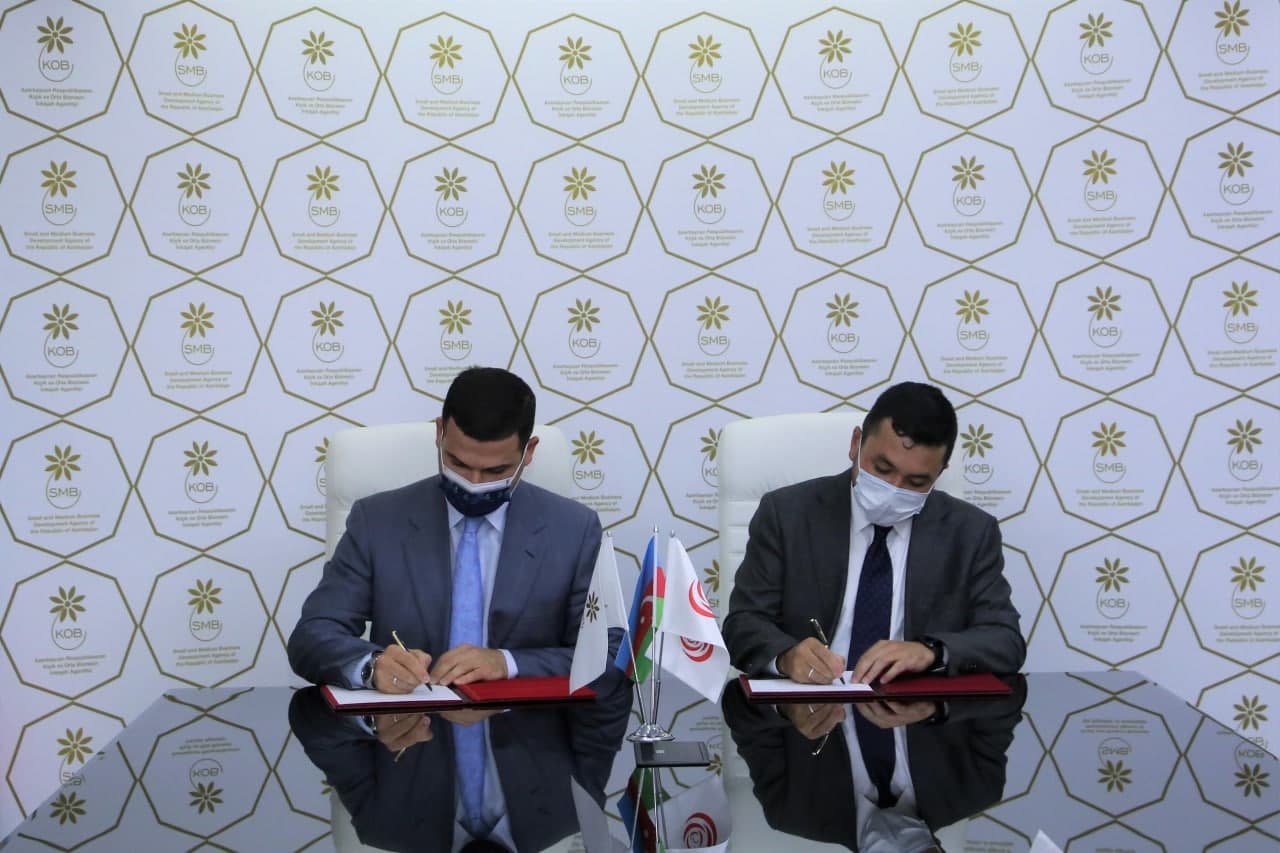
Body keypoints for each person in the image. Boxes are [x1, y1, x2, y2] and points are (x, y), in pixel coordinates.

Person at [287, 366, 606, 693]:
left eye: (495, 471)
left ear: (530, 451)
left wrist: (507, 663)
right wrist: (372, 666)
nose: (473, 484)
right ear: (439, 433)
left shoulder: (575, 530)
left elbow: (607, 651)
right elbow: (312, 635)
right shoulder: (376, 521)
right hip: (410, 719)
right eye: (459, 464)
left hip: (524, 722)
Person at [722, 381, 1025, 686]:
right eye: (882, 468)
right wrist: (787, 657)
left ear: (940, 473)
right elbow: (742, 625)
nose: (894, 489)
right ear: (856, 443)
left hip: (916, 707)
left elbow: (1005, 640)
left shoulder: (970, 532)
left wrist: (932, 652)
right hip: (811, 702)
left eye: (916, 482)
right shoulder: (786, 515)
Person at [722, 675, 1027, 852]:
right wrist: (938, 704)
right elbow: (1012, 688)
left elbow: (736, 701)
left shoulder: (791, 809)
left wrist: (787, 708)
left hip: (818, 640)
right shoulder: (975, 787)